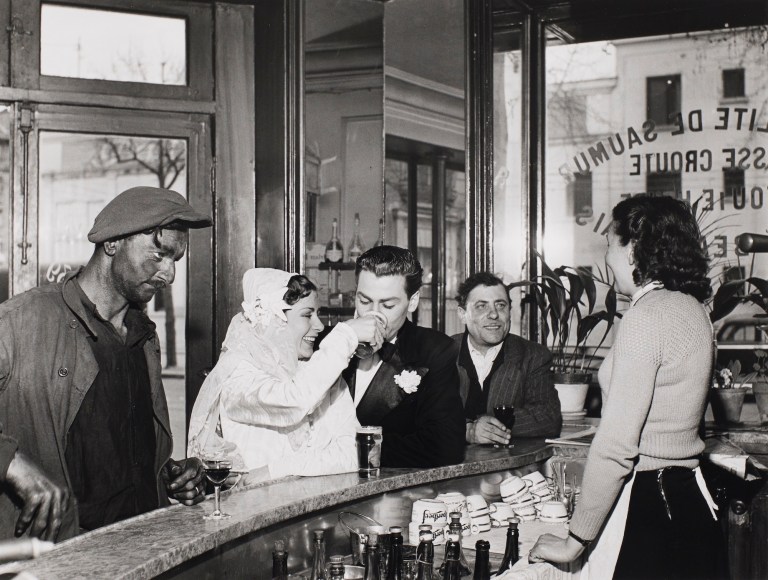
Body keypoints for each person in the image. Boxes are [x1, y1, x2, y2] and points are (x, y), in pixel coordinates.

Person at [529, 195, 727, 580]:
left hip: (651, 509)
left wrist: (574, 540)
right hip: (689, 501)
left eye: (610, 244)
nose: (607, 257)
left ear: (634, 247)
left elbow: (617, 446)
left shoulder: (645, 316)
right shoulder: (693, 308)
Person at [0, 186, 213, 542]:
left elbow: (112, 453)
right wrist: (10, 463)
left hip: (141, 548)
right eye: (159, 254)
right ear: (112, 242)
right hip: (60, 558)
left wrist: (167, 473)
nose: (170, 275)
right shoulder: (22, 321)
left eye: (175, 260)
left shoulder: (143, 338)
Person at [188, 268, 383, 479]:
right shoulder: (237, 377)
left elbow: (356, 453)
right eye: (308, 315)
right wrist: (346, 335)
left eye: (318, 314)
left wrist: (277, 470)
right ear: (275, 320)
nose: (319, 326)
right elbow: (293, 402)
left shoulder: (321, 373)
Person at [340, 245, 466, 468]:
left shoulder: (435, 351)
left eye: (388, 305)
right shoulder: (329, 342)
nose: (372, 314)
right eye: (364, 301)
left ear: (413, 301)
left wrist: (366, 449)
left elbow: (447, 445)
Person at [454, 272, 561, 445]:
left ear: (509, 311)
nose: (494, 314)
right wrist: (468, 430)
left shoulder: (533, 356)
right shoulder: (439, 353)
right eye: (481, 306)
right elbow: (421, 414)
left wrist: (487, 425)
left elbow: (548, 418)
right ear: (462, 314)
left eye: (501, 305)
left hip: (510, 468)